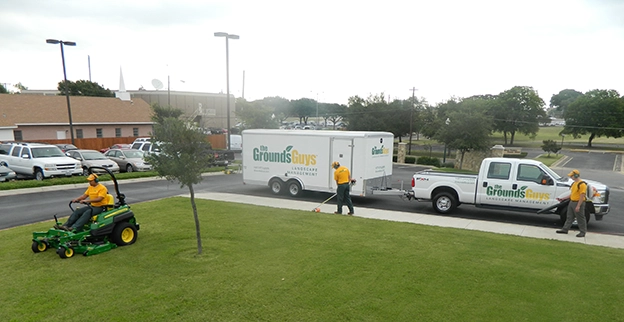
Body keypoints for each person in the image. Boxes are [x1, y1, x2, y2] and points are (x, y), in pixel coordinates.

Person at [556, 169, 587, 237]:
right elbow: (572, 194)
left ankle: (582, 231)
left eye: (572, 176)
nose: (571, 177)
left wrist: (578, 206)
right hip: (572, 201)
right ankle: (565, 229)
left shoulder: (582, 184)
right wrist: (563, 198)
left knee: (580, 218)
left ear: (576, 175)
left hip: (578, 202)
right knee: (569, 217)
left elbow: (582, 195)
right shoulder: (574, 183)